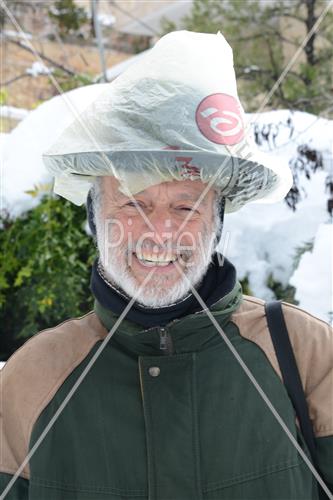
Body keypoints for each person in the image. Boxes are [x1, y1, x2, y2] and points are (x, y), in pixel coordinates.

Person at [1, 31, 332, 500]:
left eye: (186, 207)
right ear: (96, 216)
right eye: (134, 204)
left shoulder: (306, 354)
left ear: (217, 221)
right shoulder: (32, 376)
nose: (161, 233)